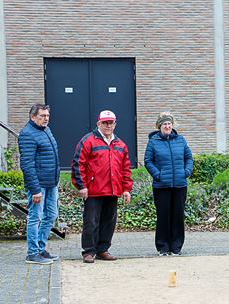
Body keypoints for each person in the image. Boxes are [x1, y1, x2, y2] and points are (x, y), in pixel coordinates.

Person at [71, 110, 133, 263]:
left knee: (108, 222)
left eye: (111, 122)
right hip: (93, 190)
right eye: (105, 122)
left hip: (113, 190)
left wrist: (126, 189)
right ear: (98, 123)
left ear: (115, 124)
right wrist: (81, 186)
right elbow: (78, 164)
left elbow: (125, 169)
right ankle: (89, 251)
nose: (108, 125)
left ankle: (103, 250)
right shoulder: (88, 141)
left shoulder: (120, 144)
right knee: (91, 222)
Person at [144, 112, 193, 256]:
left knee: (177, 216)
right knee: (163, 216)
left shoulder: (181, 140)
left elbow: (188, 157)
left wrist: (186, 171)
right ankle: (163, 246)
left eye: (169, 124)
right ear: (160, 126)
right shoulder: (153, 142)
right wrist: (158, 175)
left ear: (172, 125)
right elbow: (148, 161)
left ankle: (176, 246)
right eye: (164, 124)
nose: (167, 126)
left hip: (180, 185)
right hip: (161, 186)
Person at [18, 103, 60, 265]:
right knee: (35, 217)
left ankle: (41, 249)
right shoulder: (27, 134)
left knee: (51, 215)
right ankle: (32, 253)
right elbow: (27, 164)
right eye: (42, 116)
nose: (46, 119)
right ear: (32, 117)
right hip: (38, 186)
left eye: (47, 116)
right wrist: (35, 189)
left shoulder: (45, 130)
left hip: (51, 183)